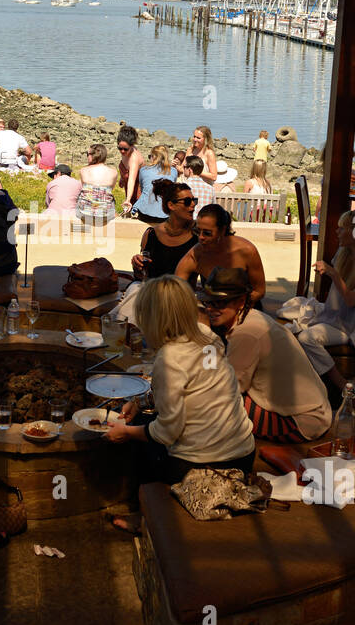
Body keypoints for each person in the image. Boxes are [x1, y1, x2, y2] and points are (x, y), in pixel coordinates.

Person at [103, 275, 256, 489]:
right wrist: (140, 403)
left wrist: (126, 432)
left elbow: (166, 433)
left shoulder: (169, 359)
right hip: (243, 452)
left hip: (202, 465)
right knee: (144, 422)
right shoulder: (206, 335)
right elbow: (202, 388)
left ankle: (142, 512)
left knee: (132, 445)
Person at [198, 267, 332, 442]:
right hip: (315, 411)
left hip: (300, 422)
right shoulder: (252, 317)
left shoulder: (246, 333)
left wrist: (204, 337)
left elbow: (229, 388)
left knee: (207, 403)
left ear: (241, 301)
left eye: (220, 303)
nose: (211, 309)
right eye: (209, 302)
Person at [298, 209, 355, 410]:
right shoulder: (345, 253)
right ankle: (346, 387)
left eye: (342, 229)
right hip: (342, 322)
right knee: (306, 338)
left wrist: (333, 274)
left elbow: (351, 299)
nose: (337, 232)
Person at [174, 204, 266, 308]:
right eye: (197, 231)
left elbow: (259, 291)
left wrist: (232, 307)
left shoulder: (246, 251)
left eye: (207, 233)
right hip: (213, 311)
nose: (200, 237)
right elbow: (176, 288)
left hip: (245, 309)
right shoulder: (195, 255)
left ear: (222, 230)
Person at [131, 179, 197, 280]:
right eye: (187, 202)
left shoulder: (199, 234)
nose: (193, 204)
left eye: (194, 200)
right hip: (154, 293)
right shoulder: (151, 234)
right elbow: (142, 276)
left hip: (184, 295)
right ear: (171, 205)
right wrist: (137, 265)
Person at [128, 144, 176, 222]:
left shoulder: (143, 170)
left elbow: (143, 189)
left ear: (154, 157)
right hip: (165, 215)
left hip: (145, 214)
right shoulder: (173, 171)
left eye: (150, 156)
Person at [75, 142, 119, 228]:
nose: (87, 156)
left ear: (93, 155)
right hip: (105, 213)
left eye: (87, 154)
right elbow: (111, 189)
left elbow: (83, 187)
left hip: (85, 212)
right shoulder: (113, 172)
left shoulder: (83, 170)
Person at [117, 126, 145, 207]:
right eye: (120, 148)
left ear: (132, 146)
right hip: (129, 187)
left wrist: (128, 200)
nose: (122, 151)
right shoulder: (125, 151)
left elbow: (131, 180)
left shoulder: (134, 159)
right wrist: (122, 178)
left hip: (138, 190)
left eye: (125, 149)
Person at [181, 154, 214, 219]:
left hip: (187, 224)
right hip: (204, 224)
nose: (183, 169)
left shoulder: (182, 187)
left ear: (190, 170)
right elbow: (213, 208)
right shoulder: (210, 188)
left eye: (184, 167)